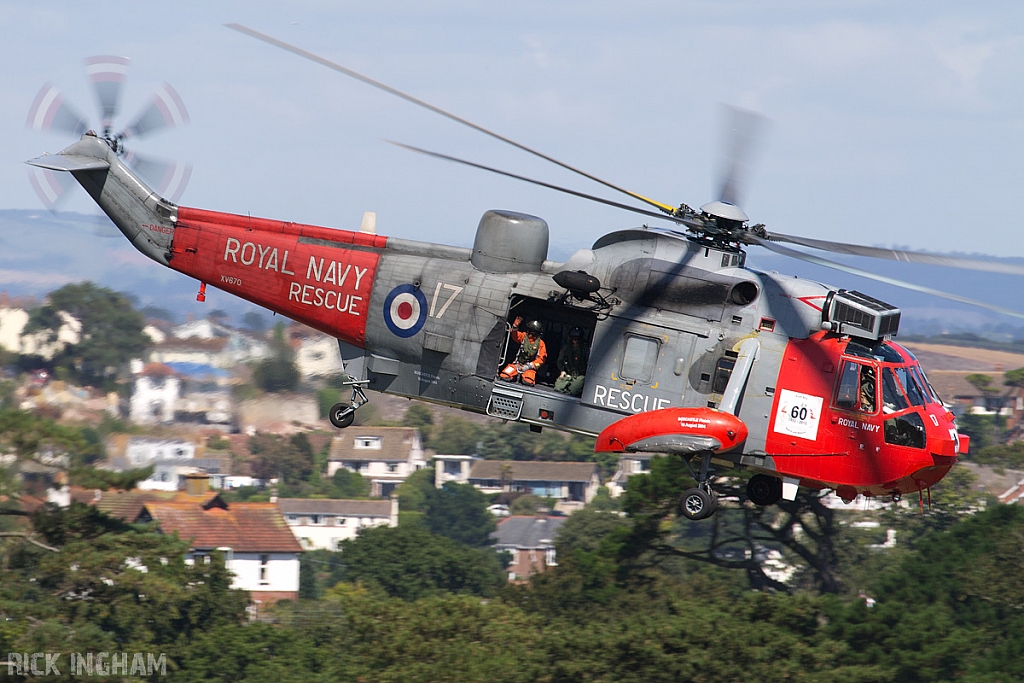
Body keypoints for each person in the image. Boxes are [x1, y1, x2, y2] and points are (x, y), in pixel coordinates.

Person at [500, 317, 547, 385]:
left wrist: (530, 366)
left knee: (528, 381)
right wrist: (515, 327)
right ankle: (514, 375)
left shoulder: (541, 343)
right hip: (517, 364)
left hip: (529, 367)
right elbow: (515, 335)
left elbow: (541, 359)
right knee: (504, 375)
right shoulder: (523, 336)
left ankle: (523, 376)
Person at [554, 326, 588, 397]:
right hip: (568, 373)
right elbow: (560, 361)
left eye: (577, 339)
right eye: (573, 338)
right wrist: (562, 370)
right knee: (558, 388)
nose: (575, 341)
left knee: (573, 391)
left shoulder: (585, 349)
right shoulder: (566, 348)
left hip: (579, 375)